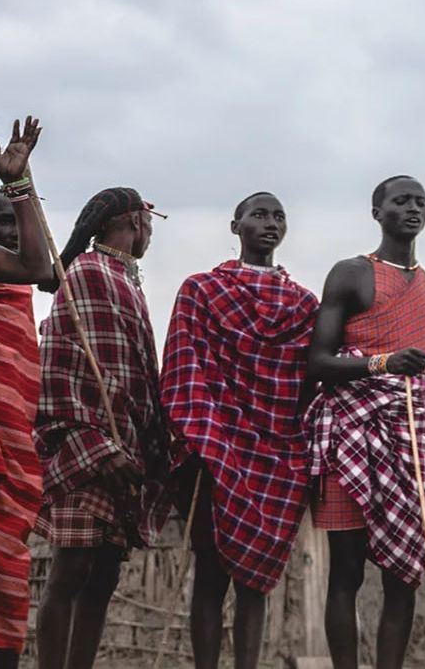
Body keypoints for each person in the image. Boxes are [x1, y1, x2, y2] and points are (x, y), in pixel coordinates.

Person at [159, 193, 320, 669]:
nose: (270, 223)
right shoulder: (202, 292)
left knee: (258, 580)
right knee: (210, 574)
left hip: (278, 457)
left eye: (279, 216)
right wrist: (209, 440)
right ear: (236, 227)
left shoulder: (304, 305)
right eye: (259, 214)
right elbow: (183, 369)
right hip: (217, 453)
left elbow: (308, 383)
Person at [304, 176, 425, 669]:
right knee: (346, 572)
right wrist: (383, 364)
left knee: (404, 573)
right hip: (349, 437)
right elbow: (318, 362)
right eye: (401, 201)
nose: (412, 209)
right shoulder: (350, 274)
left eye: (420, 202)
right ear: (376, 210)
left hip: (411, 441)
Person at [35, 187, 171, 669]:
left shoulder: (126, 280)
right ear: (137, 221)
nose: (151, 233)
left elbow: (130, 369)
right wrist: (94, 442)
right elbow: (60, 360)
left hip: (123, 447)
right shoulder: (90, 271)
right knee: (71, 570)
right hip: (86, 443)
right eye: (150, 223)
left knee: (103, 576)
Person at [0, 120, 58, 669]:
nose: (9, 231)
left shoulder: (9, 287)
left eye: (12, 222)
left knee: (5, 572)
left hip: (7, 448)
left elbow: (39, 266)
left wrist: (18, 186)